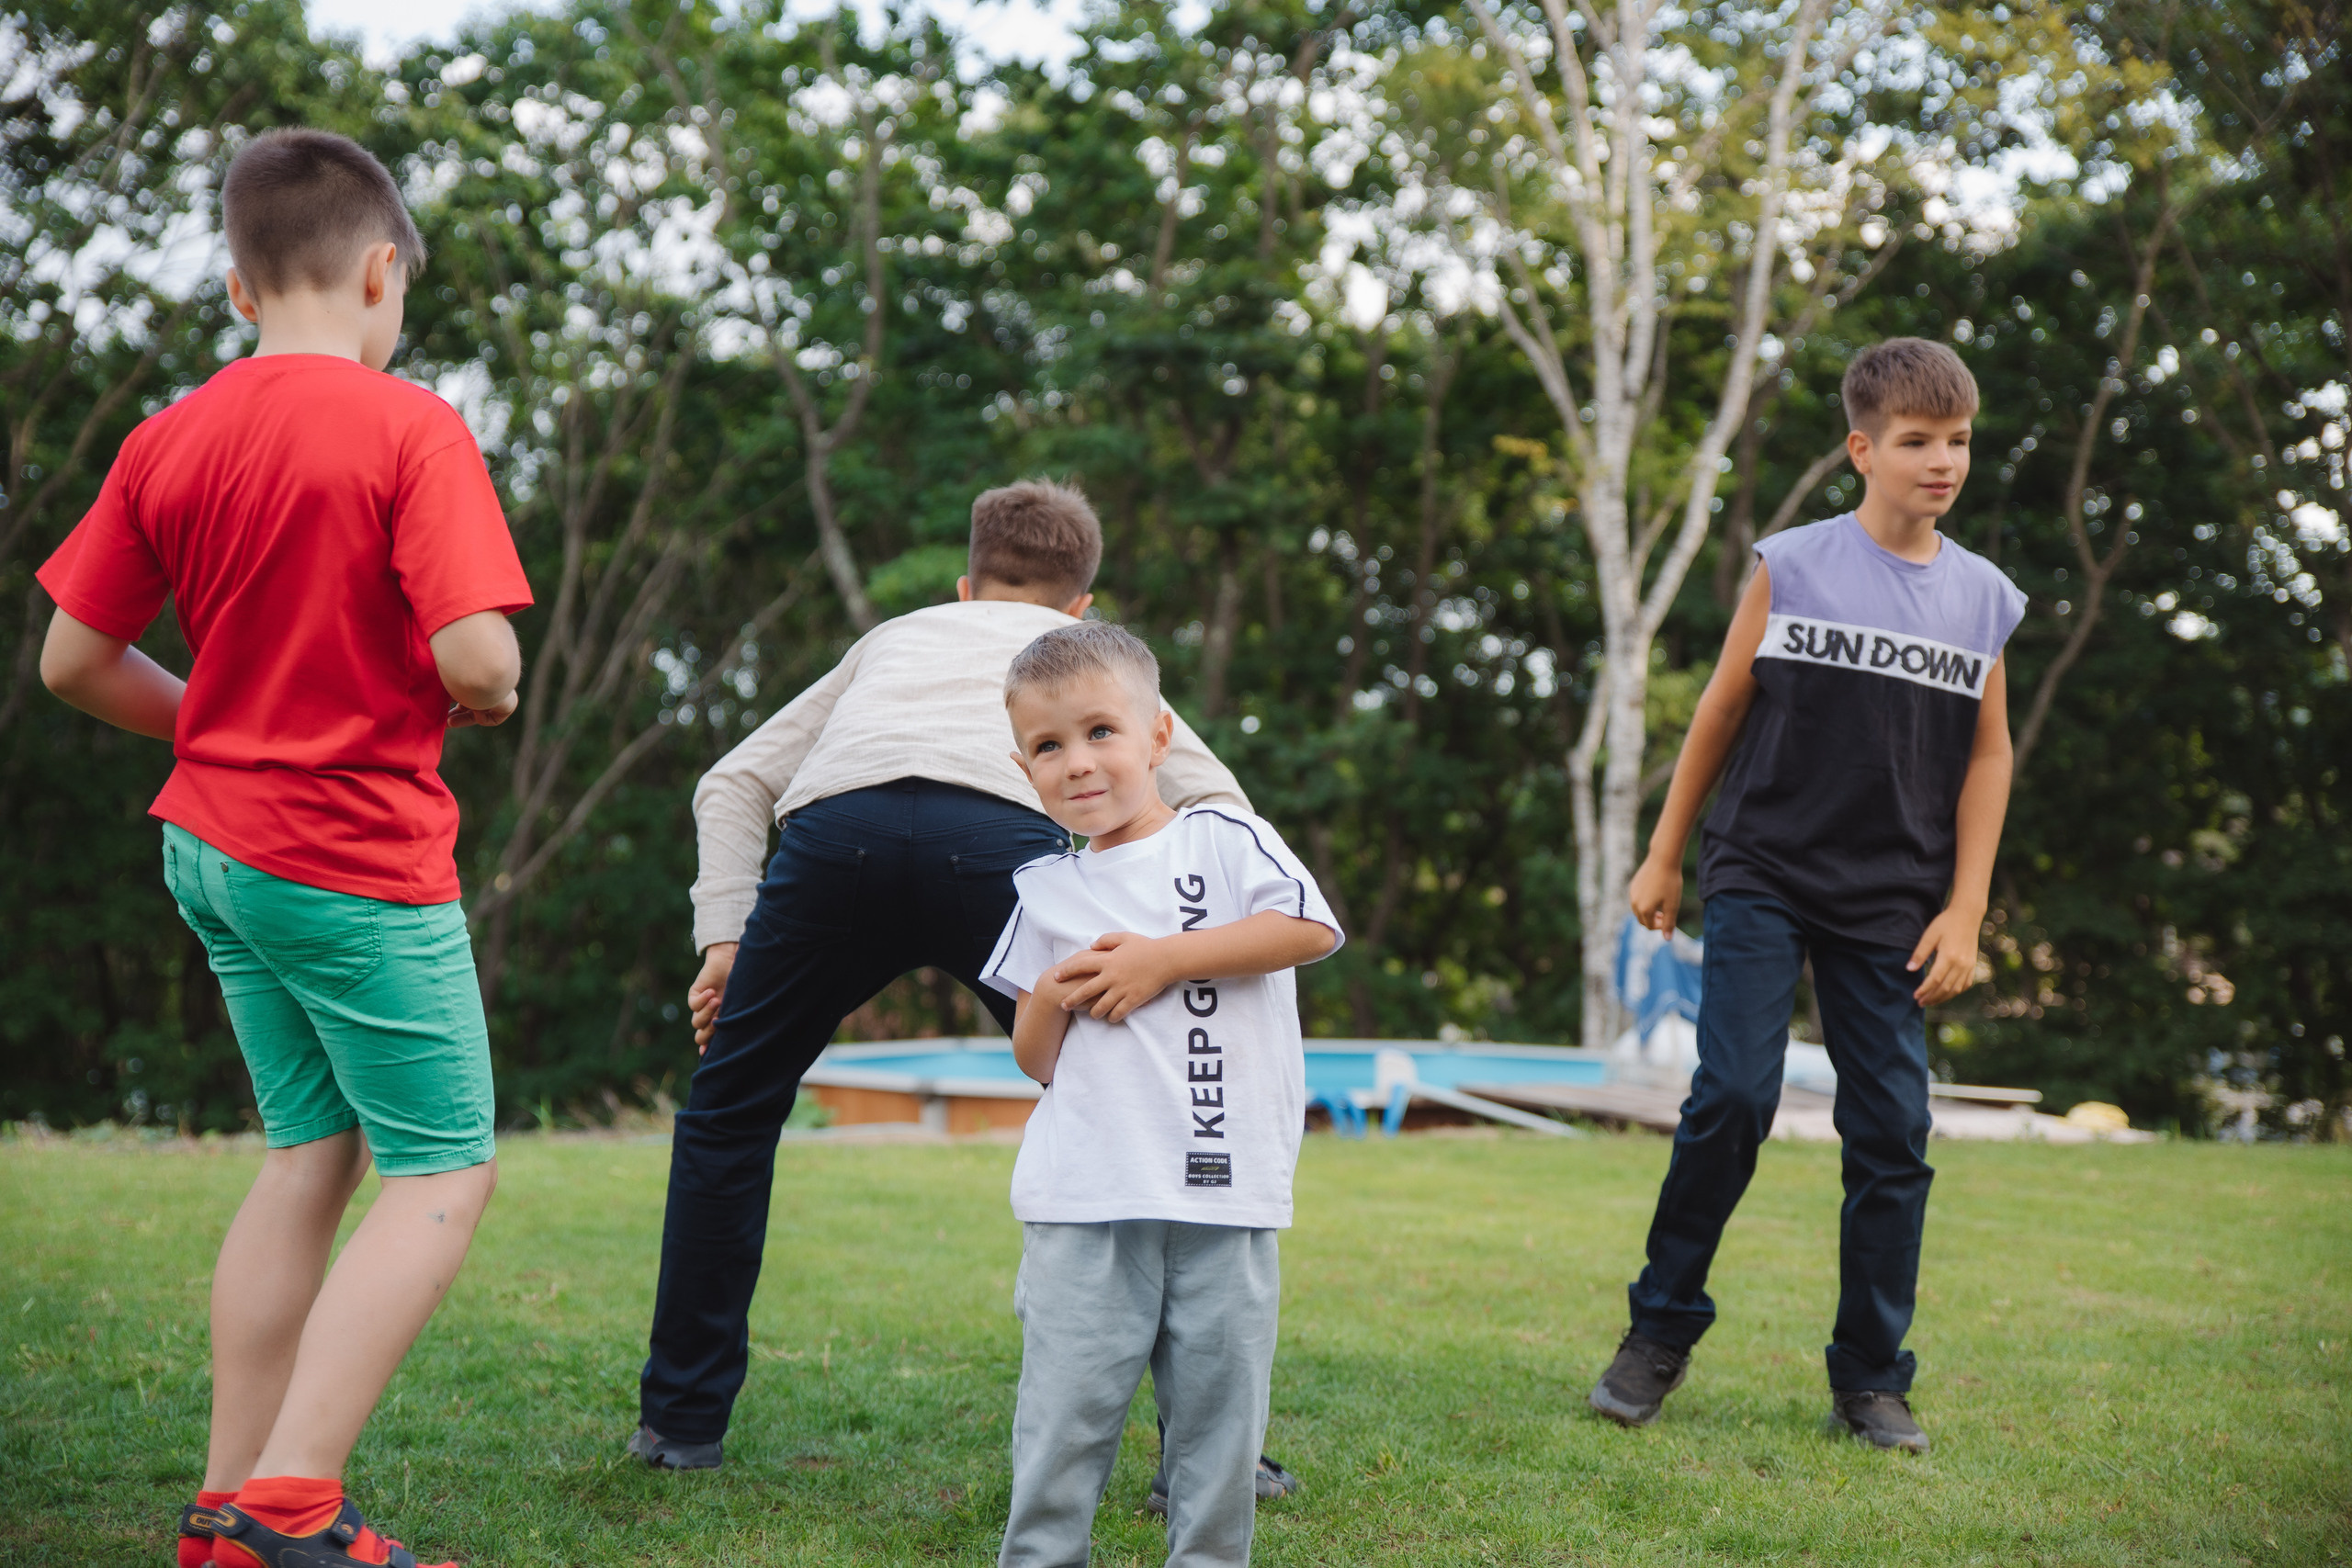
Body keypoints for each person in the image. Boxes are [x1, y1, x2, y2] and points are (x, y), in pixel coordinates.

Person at [36, 130, 530, 1568]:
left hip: (216, 845)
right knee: (441, 1167)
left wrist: (221, 719)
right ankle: (291, 1504)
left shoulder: (168, 434)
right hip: (350, 849)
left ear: (243, 290)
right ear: (384, 272)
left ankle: (222, 1503)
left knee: (310, 1146)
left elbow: (74, 659)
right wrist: (478, 686)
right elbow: (480, 656)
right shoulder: (408, 425)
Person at [637, 480, 1305, 1500]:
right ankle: (1210, 1456)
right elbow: (1214, 803)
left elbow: (732, 780)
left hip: (835, 845)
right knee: (1151, 1116)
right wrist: (1166, 942)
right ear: (1080, 609)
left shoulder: (898, 636)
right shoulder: (1084, 668)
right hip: (998, 847)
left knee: (728, 1117)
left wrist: (727, 940)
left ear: (963, 586)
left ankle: (678, 1428)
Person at [1587, 338, 2025, 1454]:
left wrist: (1966, 906)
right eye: (1918, 442)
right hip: (1763, 867)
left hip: (1893, 897)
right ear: (1861, 448)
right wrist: (1662, 852)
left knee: (1893, 1130)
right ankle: (1659, 1329)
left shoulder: (1983, 600)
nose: (1943, 463)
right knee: (1731, 1092)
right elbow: (1721, 712)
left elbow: (1988, 757)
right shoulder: (1794, 564)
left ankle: (1871, 1380)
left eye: (1959, 441)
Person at [982, 621, 1340, 1567]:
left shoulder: (1223, 839)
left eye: (1101, 731)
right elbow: (1034, 1056)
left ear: (1158, 736)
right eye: (1048, 747)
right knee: (1065, 1420)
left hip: (1225, 1198)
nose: (1078, 762)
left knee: (1219, 1431)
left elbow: (1306, 930)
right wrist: (1056, 989)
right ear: (1025, 769)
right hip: (1085, 1200)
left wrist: (1162, 961)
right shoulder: (1043, 890)